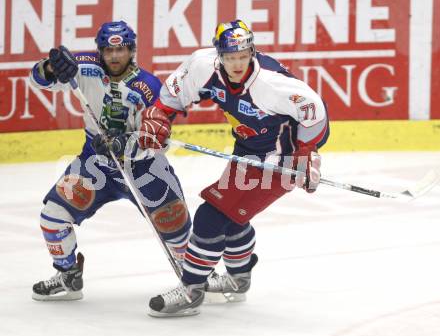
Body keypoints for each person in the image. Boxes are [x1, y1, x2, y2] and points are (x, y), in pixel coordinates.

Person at [146, 19, 330, 317]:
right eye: (230, 57)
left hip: (279, 159)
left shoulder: (271, 84)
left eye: (243, 56)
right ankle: (238, 279)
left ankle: (192, 289)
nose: (237, 64)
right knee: (233, 217)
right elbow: (171, 97)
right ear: (219, 54)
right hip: (247, 152)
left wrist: (306, 154)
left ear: (252, 52)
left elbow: (314, 110)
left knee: (211, 216)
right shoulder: (202, 65)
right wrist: (159, 117)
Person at [29, 21, 192, 301]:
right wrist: (49, 68)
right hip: (95, 165)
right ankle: (68, 275)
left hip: (145, 169)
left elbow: (157, 139)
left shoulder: (149, 86)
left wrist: (127, 144)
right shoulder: (83, 66)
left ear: (132, 50)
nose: (115, 56)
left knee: (176, 230)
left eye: (121, 49)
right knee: (52, 218)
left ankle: (197, 279)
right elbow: (38, 80)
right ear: (100, 50)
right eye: (108, 50)